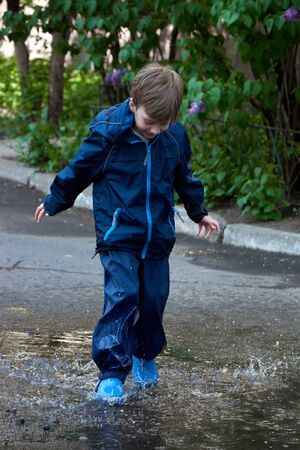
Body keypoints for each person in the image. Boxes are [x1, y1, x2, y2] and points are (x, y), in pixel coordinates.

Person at [35, 63, 220, 402]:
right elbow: (80, 169)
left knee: (152, 302)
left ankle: (145, 354)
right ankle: (111, 373)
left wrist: (199, 212)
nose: (155, 130)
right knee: (123, 297)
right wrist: (56, 199)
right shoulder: (109, 133)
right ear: (133, 104)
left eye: (163, 124)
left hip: (157, 238)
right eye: (150, 122)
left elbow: (185, 178)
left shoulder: (173, 137)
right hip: (117, 234)